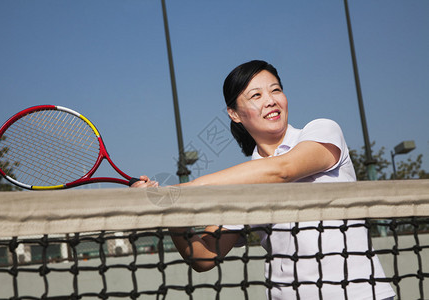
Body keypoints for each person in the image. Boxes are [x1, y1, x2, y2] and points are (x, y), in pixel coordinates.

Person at [133, 60, 395, 300]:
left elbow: (283, 169)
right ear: (234, 114)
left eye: (276, 90)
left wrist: (182, 190)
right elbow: (203, 257)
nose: (270, 101)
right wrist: (167, 210)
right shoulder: (241, 183)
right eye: (256, 95)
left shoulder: (323, 130)